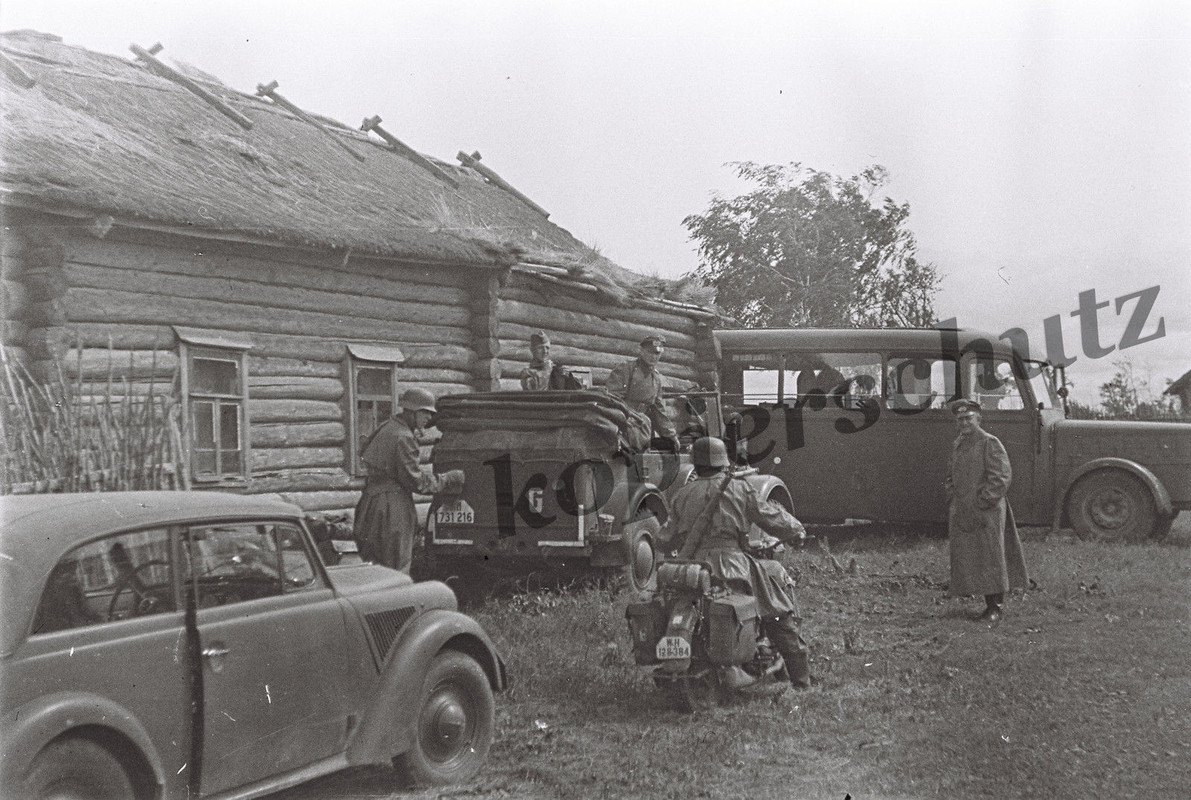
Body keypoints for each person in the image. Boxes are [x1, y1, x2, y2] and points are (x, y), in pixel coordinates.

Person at [663, 437, 813, 688]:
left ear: (696, 464)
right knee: (776, 609)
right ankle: (801, 680)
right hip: (734, 566)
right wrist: (796, 529)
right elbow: (769, 516)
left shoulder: (682, 494)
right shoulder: (739, 488)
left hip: (693, 567)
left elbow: (664, 538)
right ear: (723, 462)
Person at [352, 387, 463, 573]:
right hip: (391, 507)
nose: (429, 418)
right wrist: (448, 479)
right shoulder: (403, 437)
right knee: (396, 566)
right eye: (425, 412)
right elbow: (416, 481)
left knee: (372, 567)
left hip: (371, 502)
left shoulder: (388, 426)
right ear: (412, 412)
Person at [944, 398, 1030, 624]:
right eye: (960, 419)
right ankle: (981, 600)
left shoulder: (989, 443)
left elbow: (1001, 477)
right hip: (964, 510)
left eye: (968, 418)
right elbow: (951, 475)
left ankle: (995, 607)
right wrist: (953, 498)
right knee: (973, 556)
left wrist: (984, 502)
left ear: (978, 419)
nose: (964, 423)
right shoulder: (959, 444)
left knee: (992, 557)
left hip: (987, 512)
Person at [605, 334, 679, 449]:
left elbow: (659, 410)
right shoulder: (626, 369)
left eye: (657, 354)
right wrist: (626, 419)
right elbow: (612, 398)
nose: (653, 357)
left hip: (643, 428)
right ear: (641, 351)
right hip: (624, 425)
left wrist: (671, 436)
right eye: (650, 352)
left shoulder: (656, 378)